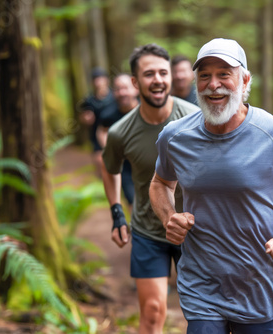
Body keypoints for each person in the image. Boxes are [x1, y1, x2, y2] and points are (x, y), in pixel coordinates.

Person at [149, 38, 273, 334]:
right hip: (202, 284)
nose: (214, 84)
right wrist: (169, 218)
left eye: (224, 74)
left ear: (245, 80)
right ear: (195, 82)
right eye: (204, 75)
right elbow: (160, 182)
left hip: (259, 282)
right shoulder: (175, 136)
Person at [101, 44, 198, 334]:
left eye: (163, 72)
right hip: (147, 231)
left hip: (194, 231)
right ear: (135, 82)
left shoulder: (195, 119)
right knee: (154, 311)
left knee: (203, 314)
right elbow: (110, 169)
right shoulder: (120, 131)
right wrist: (117, 212)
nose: (157, 79)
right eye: (149, 74)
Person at [97, 74, 140, 208]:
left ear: (135, 89)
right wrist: (108, 148)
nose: (121, 93)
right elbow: (101, 131)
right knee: (132, 203)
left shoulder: (146, 110)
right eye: (117, 89)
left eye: (125, 88)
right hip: (125, 168)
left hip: (150, 164)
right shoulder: (108, 114)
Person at [79, 68, 116, 177]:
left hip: (115, 134)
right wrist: (85, 119)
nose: (98, 82)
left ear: (107, 80)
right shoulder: (89, 100)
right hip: (96, 137)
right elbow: (83, 117)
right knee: (101, 167)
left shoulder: (115, 96)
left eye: (100, 79)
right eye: (95, 80)